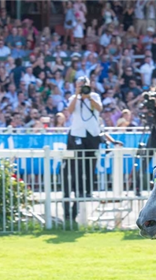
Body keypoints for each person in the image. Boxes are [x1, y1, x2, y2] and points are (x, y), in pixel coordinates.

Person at [64, 76, 103, 226]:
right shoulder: (74, 98)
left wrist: (88, 96)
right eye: (80, 85)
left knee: (91, 162)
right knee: (78, 164)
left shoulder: (94, 96)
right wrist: (77, 95)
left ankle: (88, 189)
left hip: (92, 133)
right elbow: (70, 110)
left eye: (84, 85)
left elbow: (99, 108)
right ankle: (78, 189)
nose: (83, 88)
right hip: (78, 132)